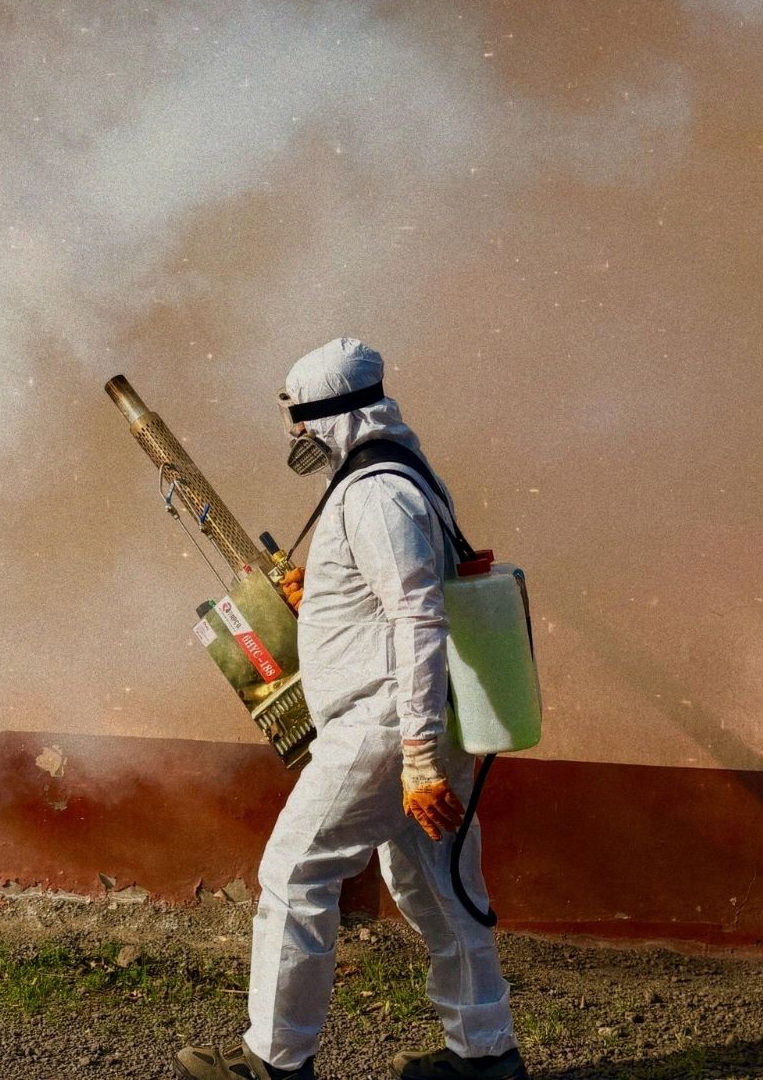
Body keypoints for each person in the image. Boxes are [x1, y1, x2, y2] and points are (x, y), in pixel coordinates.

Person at [175, 338, 526, 1080]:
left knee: (295, 872)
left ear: (338, 416)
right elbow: (386, 599)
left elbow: (418, 618)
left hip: (387, 726)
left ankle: (272, 1064)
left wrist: (422, 760)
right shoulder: (395, 480)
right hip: (414, 718)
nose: (297, 437)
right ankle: (485, 1058)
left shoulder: (373, 493)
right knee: (438, 887)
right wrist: (319, 599)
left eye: (303, 422)